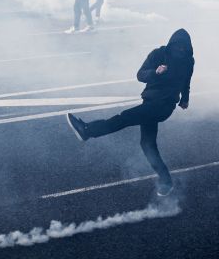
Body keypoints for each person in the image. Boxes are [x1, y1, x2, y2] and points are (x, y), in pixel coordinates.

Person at [66, 28, 194, 196]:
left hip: (164, 106)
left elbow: (186, 81)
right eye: (178, 47)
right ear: (171, 44)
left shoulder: (188, 61)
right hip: (150, 102)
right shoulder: (158, 54)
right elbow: (141, 75)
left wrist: (185, 98)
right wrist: (155, 72)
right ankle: (166, 181)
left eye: (184, 48)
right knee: (147, 144)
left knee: (124, 118)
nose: (181, 51)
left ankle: (88, 131)